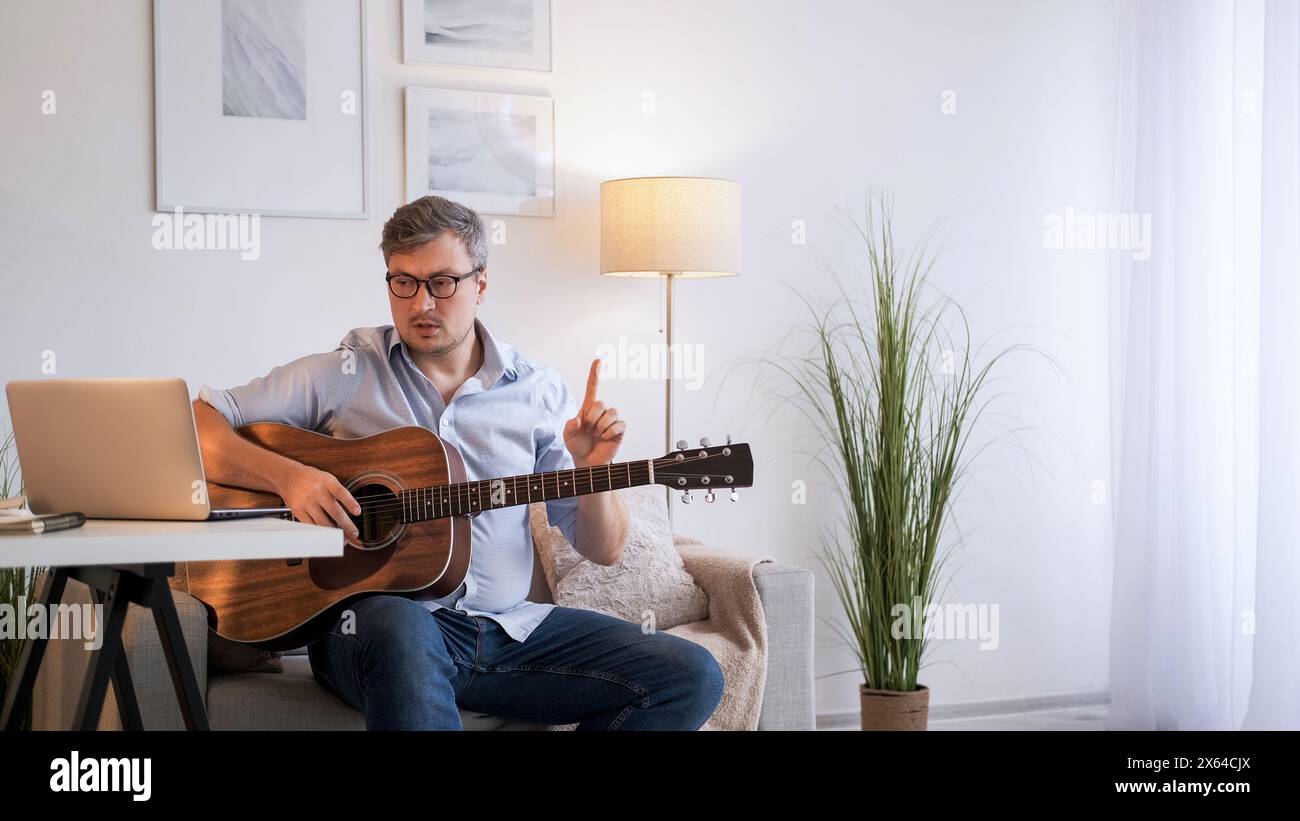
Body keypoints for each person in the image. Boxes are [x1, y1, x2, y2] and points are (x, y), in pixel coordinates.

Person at [193, 195, 725, 730]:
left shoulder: (537, 391)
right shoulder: (347, 371)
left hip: (506, 633)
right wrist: (292, 478)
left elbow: (604, 550)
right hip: (372, 630)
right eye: (403, 282)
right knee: (403, 629)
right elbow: (198, 422)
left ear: (481, 285)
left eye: (442, 282)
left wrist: (592, 471)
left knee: (691, 673)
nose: (422, 304)